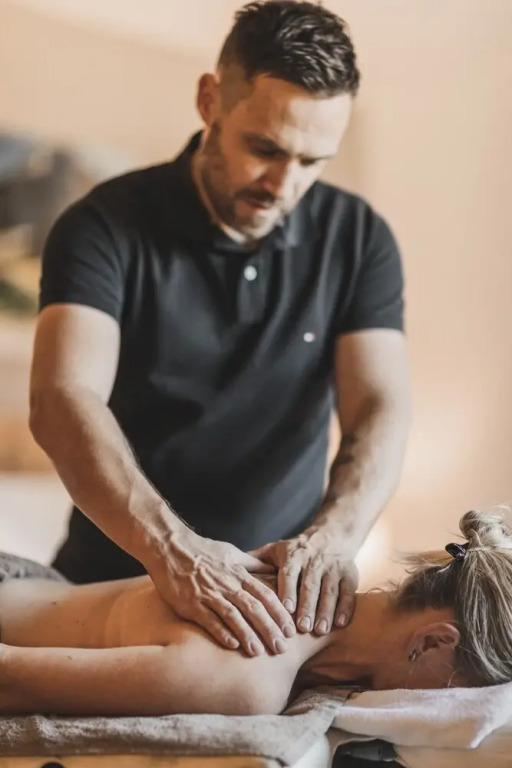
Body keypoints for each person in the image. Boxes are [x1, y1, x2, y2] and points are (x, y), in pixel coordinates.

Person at [29, 1, 410, 659]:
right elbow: (61, 399)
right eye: (265, 149)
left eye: (313, 161)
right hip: (110, 585)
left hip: (274, 602)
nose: (284, 185)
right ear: (210, 101)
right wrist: (175, 553)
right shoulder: (103, 227)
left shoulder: (358, 238)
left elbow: (380, 403)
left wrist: (336, 538)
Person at [1, 509, 511, 717]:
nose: (443, 703)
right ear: (434, 641)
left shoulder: (296, 580)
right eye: (462, 690)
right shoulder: (249, 676)